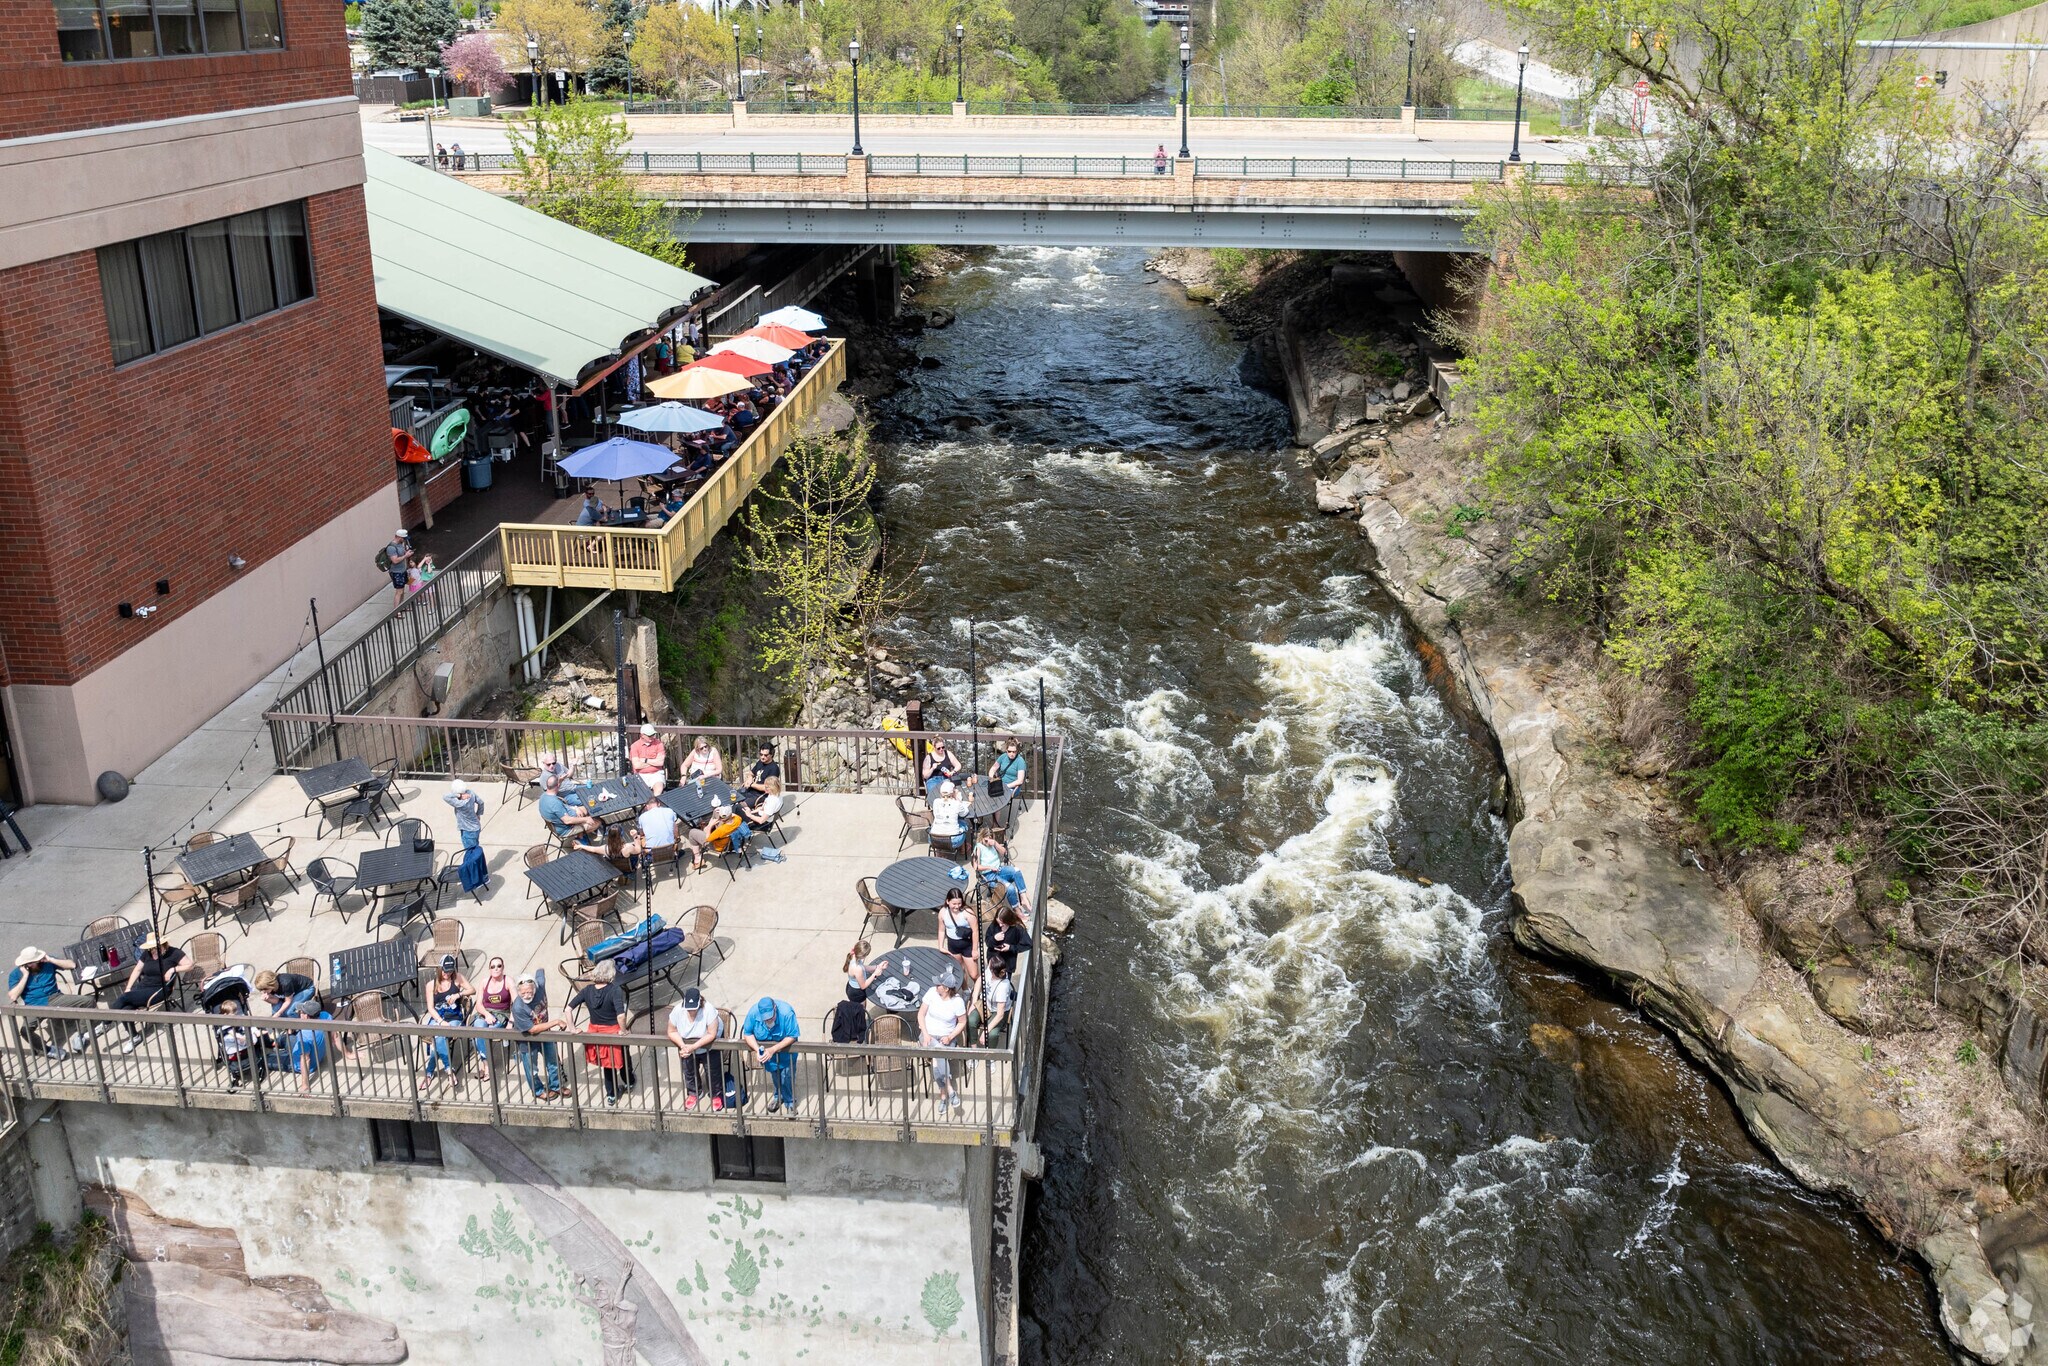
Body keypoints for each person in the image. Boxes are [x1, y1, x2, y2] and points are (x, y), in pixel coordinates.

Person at [568, 963, 635, 1105]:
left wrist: (572, 1028)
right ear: (611, 974)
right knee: (623, 1059)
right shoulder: (614, 990)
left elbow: (568, 1009)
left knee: (607, 1064)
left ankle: (611, 1095)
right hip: (613, 1033)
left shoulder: (587, 990)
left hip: (596, 1034)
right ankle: (629, 1082)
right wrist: (624, 1031)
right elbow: (621, 1016)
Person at [112, 934, 194, 1050]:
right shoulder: (148, 954)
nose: (154, 951)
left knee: (123, 998)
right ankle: (134, 1037)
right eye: (152, 948)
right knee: (125, 1008)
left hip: (160, 990)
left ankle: (105, 1022)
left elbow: (190, 965)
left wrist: (173, 969)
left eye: (156, 947)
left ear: (163, 944)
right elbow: (137, 969)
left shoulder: (174, 953)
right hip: (143, 988)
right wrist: (129, 987)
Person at [8, 947, 89, 1059]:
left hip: (55, 998)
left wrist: (51, 960)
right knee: (25, 1030)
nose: (32, 965)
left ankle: (81, 1035)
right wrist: (25, 976)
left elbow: (72, 965)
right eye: (29, 963)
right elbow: (13, 995)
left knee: (88, 1001)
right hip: (34, 1005)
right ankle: (48, 1050)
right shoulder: (16, 974)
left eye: (34, 962)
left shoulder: (47, 963)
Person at [420, 954, 477, 1093]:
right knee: (438, 1037)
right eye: (445, 970)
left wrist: (458, 995)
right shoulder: (431, 985)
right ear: (439, 968)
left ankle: (429, 1073)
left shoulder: (457, 978)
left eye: (450, 971)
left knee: (437, 1039)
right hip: (438, 1017)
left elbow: (473, 990)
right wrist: (440, 1021)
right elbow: (430, 1008)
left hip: (454, 1017)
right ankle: (449, 1070)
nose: (447, 973)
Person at [511, 969, 566, 1099]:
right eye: (523, 993)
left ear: (535, 988)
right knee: (532, 1069)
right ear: (518, 992)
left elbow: (540, 972)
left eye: (529, 992)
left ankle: (556, 1086)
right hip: (528, 1039)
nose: (526, 995)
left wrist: (538, 971)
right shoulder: (518, 1007)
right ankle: (538, 1091)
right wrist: (556, 1022)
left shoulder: (540, 986)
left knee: (553, 1062)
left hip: (545, 1034)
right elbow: (532, 1029)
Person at [665, 986, 723, 1110]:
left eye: (694, 1009)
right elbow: (671, 1031)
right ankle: (694, 1092)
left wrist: (694, 1047)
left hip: (707, 1043)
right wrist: (683, 1046)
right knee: (688, 1070)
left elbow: (711, 1033)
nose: (691, 1011)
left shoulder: (709, 1010)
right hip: (687, 1044)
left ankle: (716, 1095)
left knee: (713, 1071)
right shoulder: (677, 1011)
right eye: (688, 1009)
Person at [918, 971, 969, 1111]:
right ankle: (950, 1089)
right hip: (927, 1035)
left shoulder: (957, 1002)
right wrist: (926, 1034)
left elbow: (962, 1022)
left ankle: (944, 1096)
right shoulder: (931, 993)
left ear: (946, 988)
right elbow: (921, 1014)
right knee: (938, 1052)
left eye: (939, 985)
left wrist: (950, 1037)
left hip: (946, 1039)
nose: (936, 986)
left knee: (936, 1059)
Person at [741, 996, 799, 1113]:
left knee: (786, 1076)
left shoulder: (787, 1013)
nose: (769, 1021)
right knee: (775, 1075)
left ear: (775, 1008)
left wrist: (774, 1049)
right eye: (765, 1019)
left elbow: (792, 1035)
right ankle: (778, 1097)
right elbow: (747, 1033)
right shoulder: (753, 1013)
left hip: (786, 1051)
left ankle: (790, 1101)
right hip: (768, 1055)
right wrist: (757, 1049)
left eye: (771, 1017)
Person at [445, 778, 489, 893]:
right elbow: (481, 802)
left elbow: (445, 797)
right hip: (475, 827)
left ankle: (480, 879)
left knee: (472, 857)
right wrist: (479, 814)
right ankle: (484, 876)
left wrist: (458, 796)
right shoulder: (471, 793)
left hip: (467, 831)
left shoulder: (460, 803)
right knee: (476, 853)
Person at [972, 827, 1027, 908]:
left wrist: (995, 843)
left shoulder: (992, 844)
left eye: (990, 840)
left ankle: (1023, 898)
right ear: (982, 838)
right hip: (988, 875)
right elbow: (976, 866)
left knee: (1016, 871)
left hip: (999, 870)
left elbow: (1004, 852)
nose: (988, 843)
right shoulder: (979, 847)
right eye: (986, 840)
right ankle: (1017, 909)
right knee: (1010, 888)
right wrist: (990, 867)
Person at [538, 774, 599, 843]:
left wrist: (576, 808)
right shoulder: (554, 803)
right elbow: (567, 821)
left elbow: (563, 806)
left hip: (566, 818)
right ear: (558, 786)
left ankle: (581, 835)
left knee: (588, 808)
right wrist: (586, 819)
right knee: (598, 822)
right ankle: (580, 838)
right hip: (567, 829)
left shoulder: (544, 796)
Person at [937, 886, 979, 984]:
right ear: (948, 901)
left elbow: (975, 931)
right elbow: (941, 930)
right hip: (952, 945)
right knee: (960, 970)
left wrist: (974, 950)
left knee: (974, 974)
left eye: (959, 903)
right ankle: (965, 990)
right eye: (954, 904)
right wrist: (941, 946)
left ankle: (979, 991)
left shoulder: (968, 913)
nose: (957, 906)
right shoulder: (943, 912)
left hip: (967, 944)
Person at [989, 738, 1029, 820]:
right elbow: (993, 768)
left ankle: (995, 825)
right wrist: (991, 778)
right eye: (1009, 751)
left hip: (1012, 787)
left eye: (1014, 752)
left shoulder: (1020, 761)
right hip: (1000, 784)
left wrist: (1006, 786)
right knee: (984, 795)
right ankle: (979, 821)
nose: (1011, 754)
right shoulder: (1003, 757)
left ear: (1017, 751)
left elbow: (1020, 780)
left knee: (997, 799)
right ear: (1006, 750)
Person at [986, 903, 1030, 977]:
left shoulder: (1017, 929)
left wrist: (1010, 948)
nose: (1000, 925)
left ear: (1008, 920)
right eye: (998, 922)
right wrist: (994, 939)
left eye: (1003, 923)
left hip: (1007, 965)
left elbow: (1027, 944)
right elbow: (988, 942)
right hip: (993, 961)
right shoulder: (994, 925)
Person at [979, 958, 1013, 1048]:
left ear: (992, 971)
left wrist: (986, 1031)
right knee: (971, 1020)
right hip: (987, 1004)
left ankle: (991, 1056)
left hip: (997, 1011)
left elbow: (1000, 1014)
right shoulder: (989, 973)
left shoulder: (1002, 987)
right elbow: (980, 980)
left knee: (992, 1034)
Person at [929, 780, 968, 855]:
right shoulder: (956, 804)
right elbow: (964, 813)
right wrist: (958, 799)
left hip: (934, 838)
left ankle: (940, 852)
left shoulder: (936, 802)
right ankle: (963, 848)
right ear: (952, 793)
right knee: (964, 824)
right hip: (952, 840)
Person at [628, 724, 669, 795]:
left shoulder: (659, 744)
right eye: (649, 735)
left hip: (656, 774)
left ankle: (654, 803)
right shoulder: (634, 746)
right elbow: (637, 765)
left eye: (653, 735)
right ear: (642, 735)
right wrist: (654, 762)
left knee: (658, 788)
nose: (652, 737)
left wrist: (645, 760)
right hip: (640, 774)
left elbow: (660, 763)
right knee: (642, 792)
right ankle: (648, 804)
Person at [377, 529, 414, 608]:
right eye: (403, 538)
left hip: (402, 570)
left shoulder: (400, 544)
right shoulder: (391, 548)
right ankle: (396, 611)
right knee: (399, 591)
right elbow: (395, 560)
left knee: (402, 590)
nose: (404, 540)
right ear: (399, 537)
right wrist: (405, 556)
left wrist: (407, 552)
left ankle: (402, 607)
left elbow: (402, 552)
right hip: (396, 572)